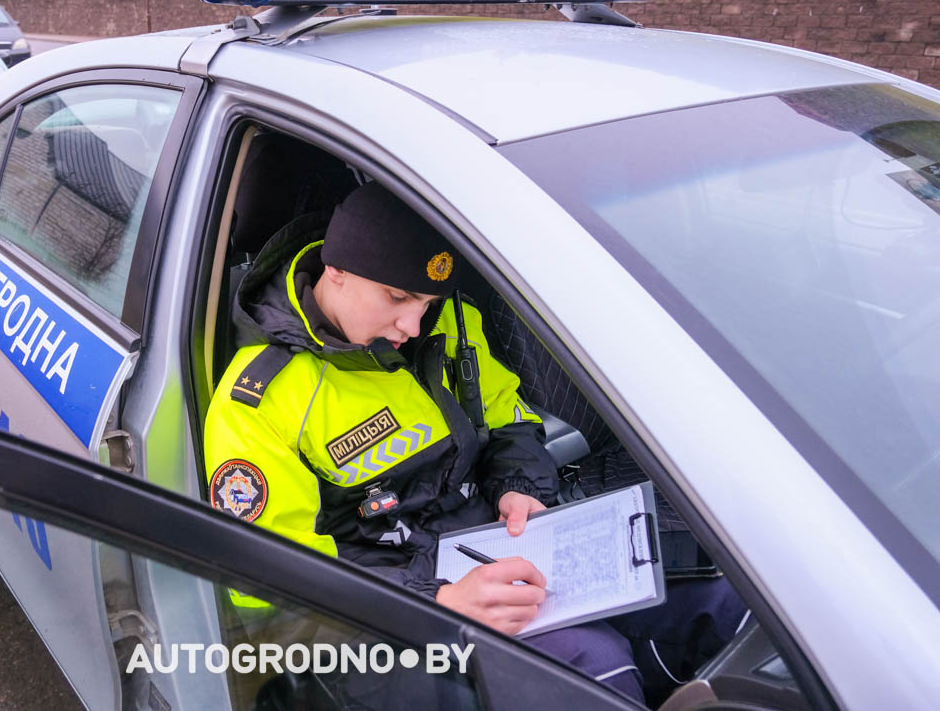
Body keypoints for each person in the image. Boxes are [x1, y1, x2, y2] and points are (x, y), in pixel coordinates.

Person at [204, 181, 745, 706]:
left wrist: (519, 487)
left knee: (726, 604)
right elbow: (272, 586)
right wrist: (439, 601)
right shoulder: (261, 401)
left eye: (427, 302)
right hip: (378, 624)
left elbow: (508, 417)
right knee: (592, 664)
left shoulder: (452, 323)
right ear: (337, 271)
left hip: (501, 549)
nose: (413, 325)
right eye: (398, 298)